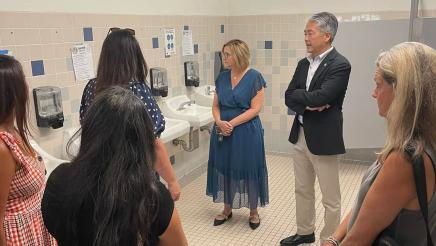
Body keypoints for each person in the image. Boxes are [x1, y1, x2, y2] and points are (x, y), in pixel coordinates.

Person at [42, 86, 188, 246]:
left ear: (89, 130)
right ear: (142, 140)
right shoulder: (151, 196)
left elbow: (54, 226)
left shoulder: (59, 181)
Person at [322, 42, 436, 246]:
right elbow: (368, 206)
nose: (374, 94)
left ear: (400, 91)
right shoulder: (424, 142)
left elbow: (358, 240)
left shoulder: (405, 160)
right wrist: (334, 238)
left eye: (378, 84)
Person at [79, 28, 181, 201]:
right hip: (134, 181)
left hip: (99, 181)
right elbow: (153, 144)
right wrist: (172, 181)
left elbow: (86, 131)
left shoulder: (91, 88)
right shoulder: (136, 91)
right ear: (133, 57)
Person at [282, 12, 351, 245]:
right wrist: (309, 102)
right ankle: (305, 231)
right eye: (305, 33)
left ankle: (329, 239)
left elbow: (323, 96)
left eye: (309, 33)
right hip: (300, 134)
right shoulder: (304, 64)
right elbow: (289, 96)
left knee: (330, 197)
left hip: (324, 138)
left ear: (327, 35)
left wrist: (308, 100)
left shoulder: (340, 64)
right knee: (302, 189)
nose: (305, 38)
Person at [206, 39, 269, 230]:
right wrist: (218, 122)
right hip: (222, 131)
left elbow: (255, 109)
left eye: (228, 54)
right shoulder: (222, 77)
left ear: (239, 55)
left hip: (246, 131)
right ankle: (227, 208)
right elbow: (215, 105)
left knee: (248, 167)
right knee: (225, 167)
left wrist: (231, 124)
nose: (224, 58)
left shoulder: (254, 77)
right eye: (223, 54)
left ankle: (253, 211)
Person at [0, 55, 57, 245]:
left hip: (34, 228)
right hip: (17, 237)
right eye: (22, 80)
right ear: (11, 92)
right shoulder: (2, 147)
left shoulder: (13, 130)